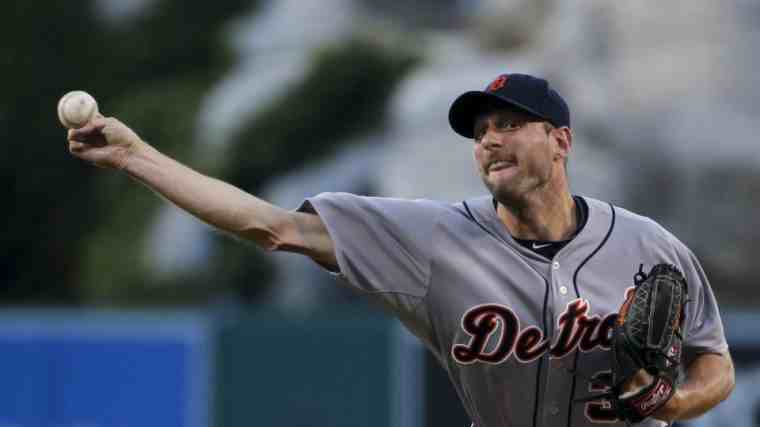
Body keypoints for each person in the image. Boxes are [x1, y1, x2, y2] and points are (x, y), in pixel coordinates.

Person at [67, 73, 734, 426]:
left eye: (509, 124)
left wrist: (675, 403)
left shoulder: (651, 244)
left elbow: (716, 365)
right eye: (479, 132)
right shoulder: (431, 238)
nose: (489, 141)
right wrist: (136, 157)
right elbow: (270, 226)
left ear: (561, 140)